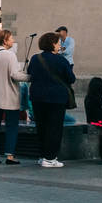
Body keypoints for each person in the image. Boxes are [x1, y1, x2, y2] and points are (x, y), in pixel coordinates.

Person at [26, 32, 76, 168]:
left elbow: (30, 73)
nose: (60, 45)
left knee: (41, 127)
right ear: (53, 44)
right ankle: (50, 158)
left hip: (37, 98)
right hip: (56, 99)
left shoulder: (36, 58)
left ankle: (42, 156)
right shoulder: (61, 60)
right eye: (58, 43)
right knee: (54, 128)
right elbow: (71, 78)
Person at [0, 30, 30, 165]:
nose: (13, 40)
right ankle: (10, 156)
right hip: (8, 96)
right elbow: (15, 75)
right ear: (5, 41)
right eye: (11, 38)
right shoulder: (9, 55)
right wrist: (30, 77)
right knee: (12, 126)